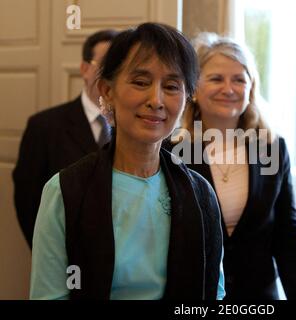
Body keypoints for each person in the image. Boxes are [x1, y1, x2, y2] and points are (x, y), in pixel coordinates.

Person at [30, 23, 225, 300]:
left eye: (171, 86)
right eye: (141, 82)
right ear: (107, 90)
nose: (156, 100)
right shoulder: (65, 192)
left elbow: (213, 294)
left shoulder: (201, 194)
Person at [166, 33, 296, 300]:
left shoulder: (270, 148)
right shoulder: (171, 150)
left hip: (259, 296)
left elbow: (287, 233)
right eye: (216, 78)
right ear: (193, 88)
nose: (229, 89)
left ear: (251, 88)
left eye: (239, 79)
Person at [13, 29, 119, 248]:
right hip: (65, 257)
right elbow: (28, 201)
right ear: (84, 69)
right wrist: (48, 255)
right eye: (105, 64)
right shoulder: (44, 127)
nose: (112, 74)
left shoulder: (136, 129)